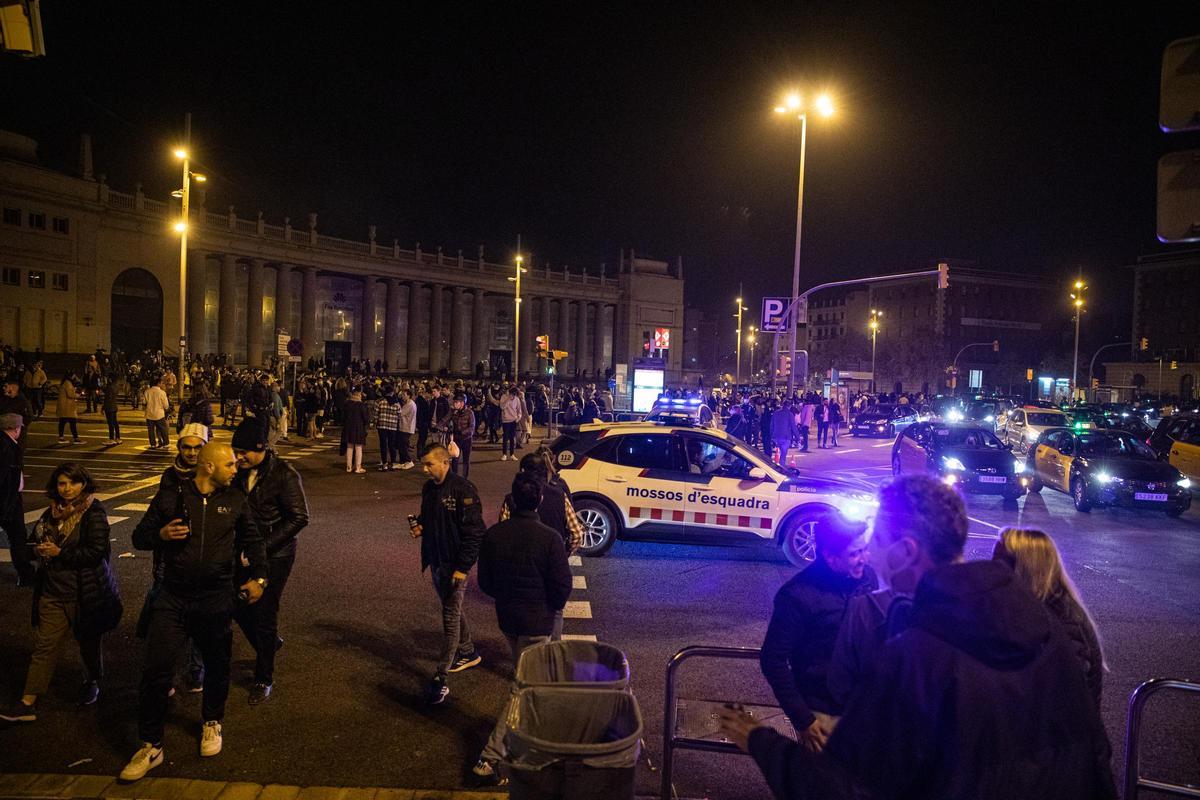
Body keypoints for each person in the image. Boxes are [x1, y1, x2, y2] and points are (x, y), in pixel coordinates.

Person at [719, 474, 1117, 800]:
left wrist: (758, 740)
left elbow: (840, 786)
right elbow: (1094, 752)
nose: (869, 555)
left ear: (905, 551)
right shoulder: (1044, 626)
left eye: (876, 541)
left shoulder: (916, 654)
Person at [121, 441, 268, 781]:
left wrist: (260, 578)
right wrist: (160, 533)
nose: (237, 468)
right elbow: (139, 537)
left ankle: (212, 722)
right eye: (230, 464)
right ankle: (151, 744)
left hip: (216, 598)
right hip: (173, 597)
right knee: (156, 670)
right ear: (209, 467)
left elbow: (255, 542)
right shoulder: (172, 496)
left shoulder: (235, 501)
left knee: (217, 665)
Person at [0, 464, 122, 721]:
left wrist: (61, 553)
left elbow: (96, 552)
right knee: (45, 645)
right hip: (53, 592)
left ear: (84, 484)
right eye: (61, 484)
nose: (66, 489)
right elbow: (33, 541)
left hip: (84, 593)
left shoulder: (93, 513)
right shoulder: (50, 513)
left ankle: (93, 680)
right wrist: (37, 550)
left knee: (88, 644)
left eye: (72, 483)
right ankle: (27, 702)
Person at [472, 473, 574, 781]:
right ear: (540, 500)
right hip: (537, 620)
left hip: (508, 619)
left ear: (513, 500)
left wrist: (506, 597)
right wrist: (551, 607)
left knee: (528, 678)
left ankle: (531, 738)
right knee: (524, 687)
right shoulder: (549, 538)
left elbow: (486, 582)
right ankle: (490, 756)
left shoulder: (495, 535)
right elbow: (562, 586)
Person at [760, 516, 876, 751]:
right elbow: (773, 660)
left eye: (865, 550)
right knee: (826, 785)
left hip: (865, 709)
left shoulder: (868, 578)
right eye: (855, 554)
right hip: (823, 714)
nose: (864, 559)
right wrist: (803, 719)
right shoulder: (797, 596)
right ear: (830, 557)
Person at [231, 418, 309, 705]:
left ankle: (264, 677)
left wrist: (262, 547)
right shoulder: (238, 472)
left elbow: (300, 517)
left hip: (276, 555)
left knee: (264, 612)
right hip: (244, 551)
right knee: (237, 605)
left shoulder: (284, 474)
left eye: (244, 451)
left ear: (262, 448)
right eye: (235, 450)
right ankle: (269, 644)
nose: (238, 457)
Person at [993, 528, 1105, 708]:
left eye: (1000, 561)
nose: (993, 569)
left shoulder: (1064, 623)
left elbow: (1062, 701)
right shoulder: (1035, 607)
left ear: (1025, 569)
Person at [409, 444, 485, 705]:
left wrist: (463, 568)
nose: (425, 469)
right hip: (437, 562)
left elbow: (475, 534)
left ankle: (440, 675)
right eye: (424, 464)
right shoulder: (429, 489)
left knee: (449, 615)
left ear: (445, 463)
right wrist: (420, 526)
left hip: (454, 565)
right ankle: (468, 651)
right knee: (451, 607)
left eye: (429, 464)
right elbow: (428, 516)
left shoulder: (463, 490)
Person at [497, 452, 584, 639]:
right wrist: (563, 554)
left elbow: (502, 531)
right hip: (552, 563)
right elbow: (577, 534)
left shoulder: (512, 499)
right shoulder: (559, 495)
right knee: (556, 608)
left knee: (523, 605)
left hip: (520, 564)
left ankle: (525, 652)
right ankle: (551, 648)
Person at [0, 413, 34, 585]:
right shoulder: (7, 447)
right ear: (16, 428)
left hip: (9, 498)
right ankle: (26, 574)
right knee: (18, 536)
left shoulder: (6, 444)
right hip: (8, 500)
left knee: (17, 536)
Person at [444, 394, 475, 477]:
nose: (454, 404)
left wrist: (461, 432)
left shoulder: (469, 413)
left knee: (466, 460)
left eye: (456, 402)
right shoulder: (453, 412)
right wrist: (443, 426)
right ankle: (454, 477)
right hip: (456, 439)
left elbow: (472, 428)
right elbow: (445, 420)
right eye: (454, 402)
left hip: (466, 439)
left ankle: (465, 478)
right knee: (455, 459)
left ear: (462, 403)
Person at [341, 388, 369, 473]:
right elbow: (365, 418)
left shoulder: (347, 404)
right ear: (359, 395)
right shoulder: (361, 405)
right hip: (358, 428)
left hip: (348, 427)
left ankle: (349, 467)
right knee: (358, 447)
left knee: (349, 447)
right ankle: (358, 467)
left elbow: (343, 416)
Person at [375, 385, 400, 471]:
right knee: (392, 445)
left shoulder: (380, 402)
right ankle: (393, 463)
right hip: (392, 426)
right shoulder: (396, 404)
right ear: (392, 392)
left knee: (383, 445)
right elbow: (399, 415)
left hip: (382, 425)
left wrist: (376, 421)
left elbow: (375, 415)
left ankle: (384, 463)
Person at [143, 376, 171, 450]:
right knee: (163, 429)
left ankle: (153, 444)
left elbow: (144, 402)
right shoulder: (162, 393)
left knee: (151, 430)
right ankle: (165, 443)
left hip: (149, 414)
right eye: (161, 383)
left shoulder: (147, 391)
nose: (162, 384)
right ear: (158, 383)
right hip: (159, 414)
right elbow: (166, 405)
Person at [771, 400, 800, 467]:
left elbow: (771, 425)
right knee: (783, 454)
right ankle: (781, 468)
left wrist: (772, 435)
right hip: (785, 437)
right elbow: (793, 427)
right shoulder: (790, 414)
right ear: (789, 406)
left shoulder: (775, 413)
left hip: (776, 436)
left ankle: (775, 466)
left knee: (777, 452)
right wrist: (797, 437)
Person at [56, 374, 81, 444]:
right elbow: (70, 394)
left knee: (62, 422)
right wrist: (78, 395)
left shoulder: (65, 382)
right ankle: (76, 438)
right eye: (73, 376)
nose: (74, 378)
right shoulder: (68, 383)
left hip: (65, 406)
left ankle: (61, 437)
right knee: (72, 422)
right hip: (67, 406)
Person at [396, 389, 417, 470]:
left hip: (407, 428)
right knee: (401, 445)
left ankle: (409, 461)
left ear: (408, 395)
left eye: (404, 395)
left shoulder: (410, 404)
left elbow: (400, 413)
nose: (402, 396)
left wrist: (397, 406)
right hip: (404, 427)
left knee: (403, 446)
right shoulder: (408, 403)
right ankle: (402, 462)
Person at [101, 375, 122, 445]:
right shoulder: (116, 387)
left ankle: (111, 438)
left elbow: (108, 398)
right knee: (115, 423)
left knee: (110, 424)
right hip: (114, 406)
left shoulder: (110, 387)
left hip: (109, 407)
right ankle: (118, 438)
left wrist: (103, 407)